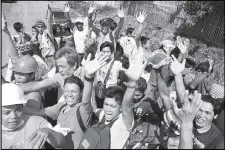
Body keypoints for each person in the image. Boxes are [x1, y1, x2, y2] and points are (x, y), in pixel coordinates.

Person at [82, 43, 148, 149]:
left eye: (113, 107)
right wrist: (88, 77)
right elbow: (89, 104)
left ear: (120, 108)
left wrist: (132, 84)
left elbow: (126, 106)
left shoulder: (124, 121)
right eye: (106, 104)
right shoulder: (103, 114)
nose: (108, 109)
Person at [2, 83, 65, 149]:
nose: (13, 116)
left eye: (18, 110)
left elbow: (61, 143)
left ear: (23, 107)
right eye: (7, 113)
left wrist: (50, 132)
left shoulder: (36, 122)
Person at [35, 4, 56, 70]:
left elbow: (49, 22)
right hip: (43, 57)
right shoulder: (38, 36)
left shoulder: (47, 33)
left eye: (42, 27)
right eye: (38, 27)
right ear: (36, 27)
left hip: (51, 57)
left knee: (51, 74)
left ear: (44, 27)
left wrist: (50, 12)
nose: (40, 28)